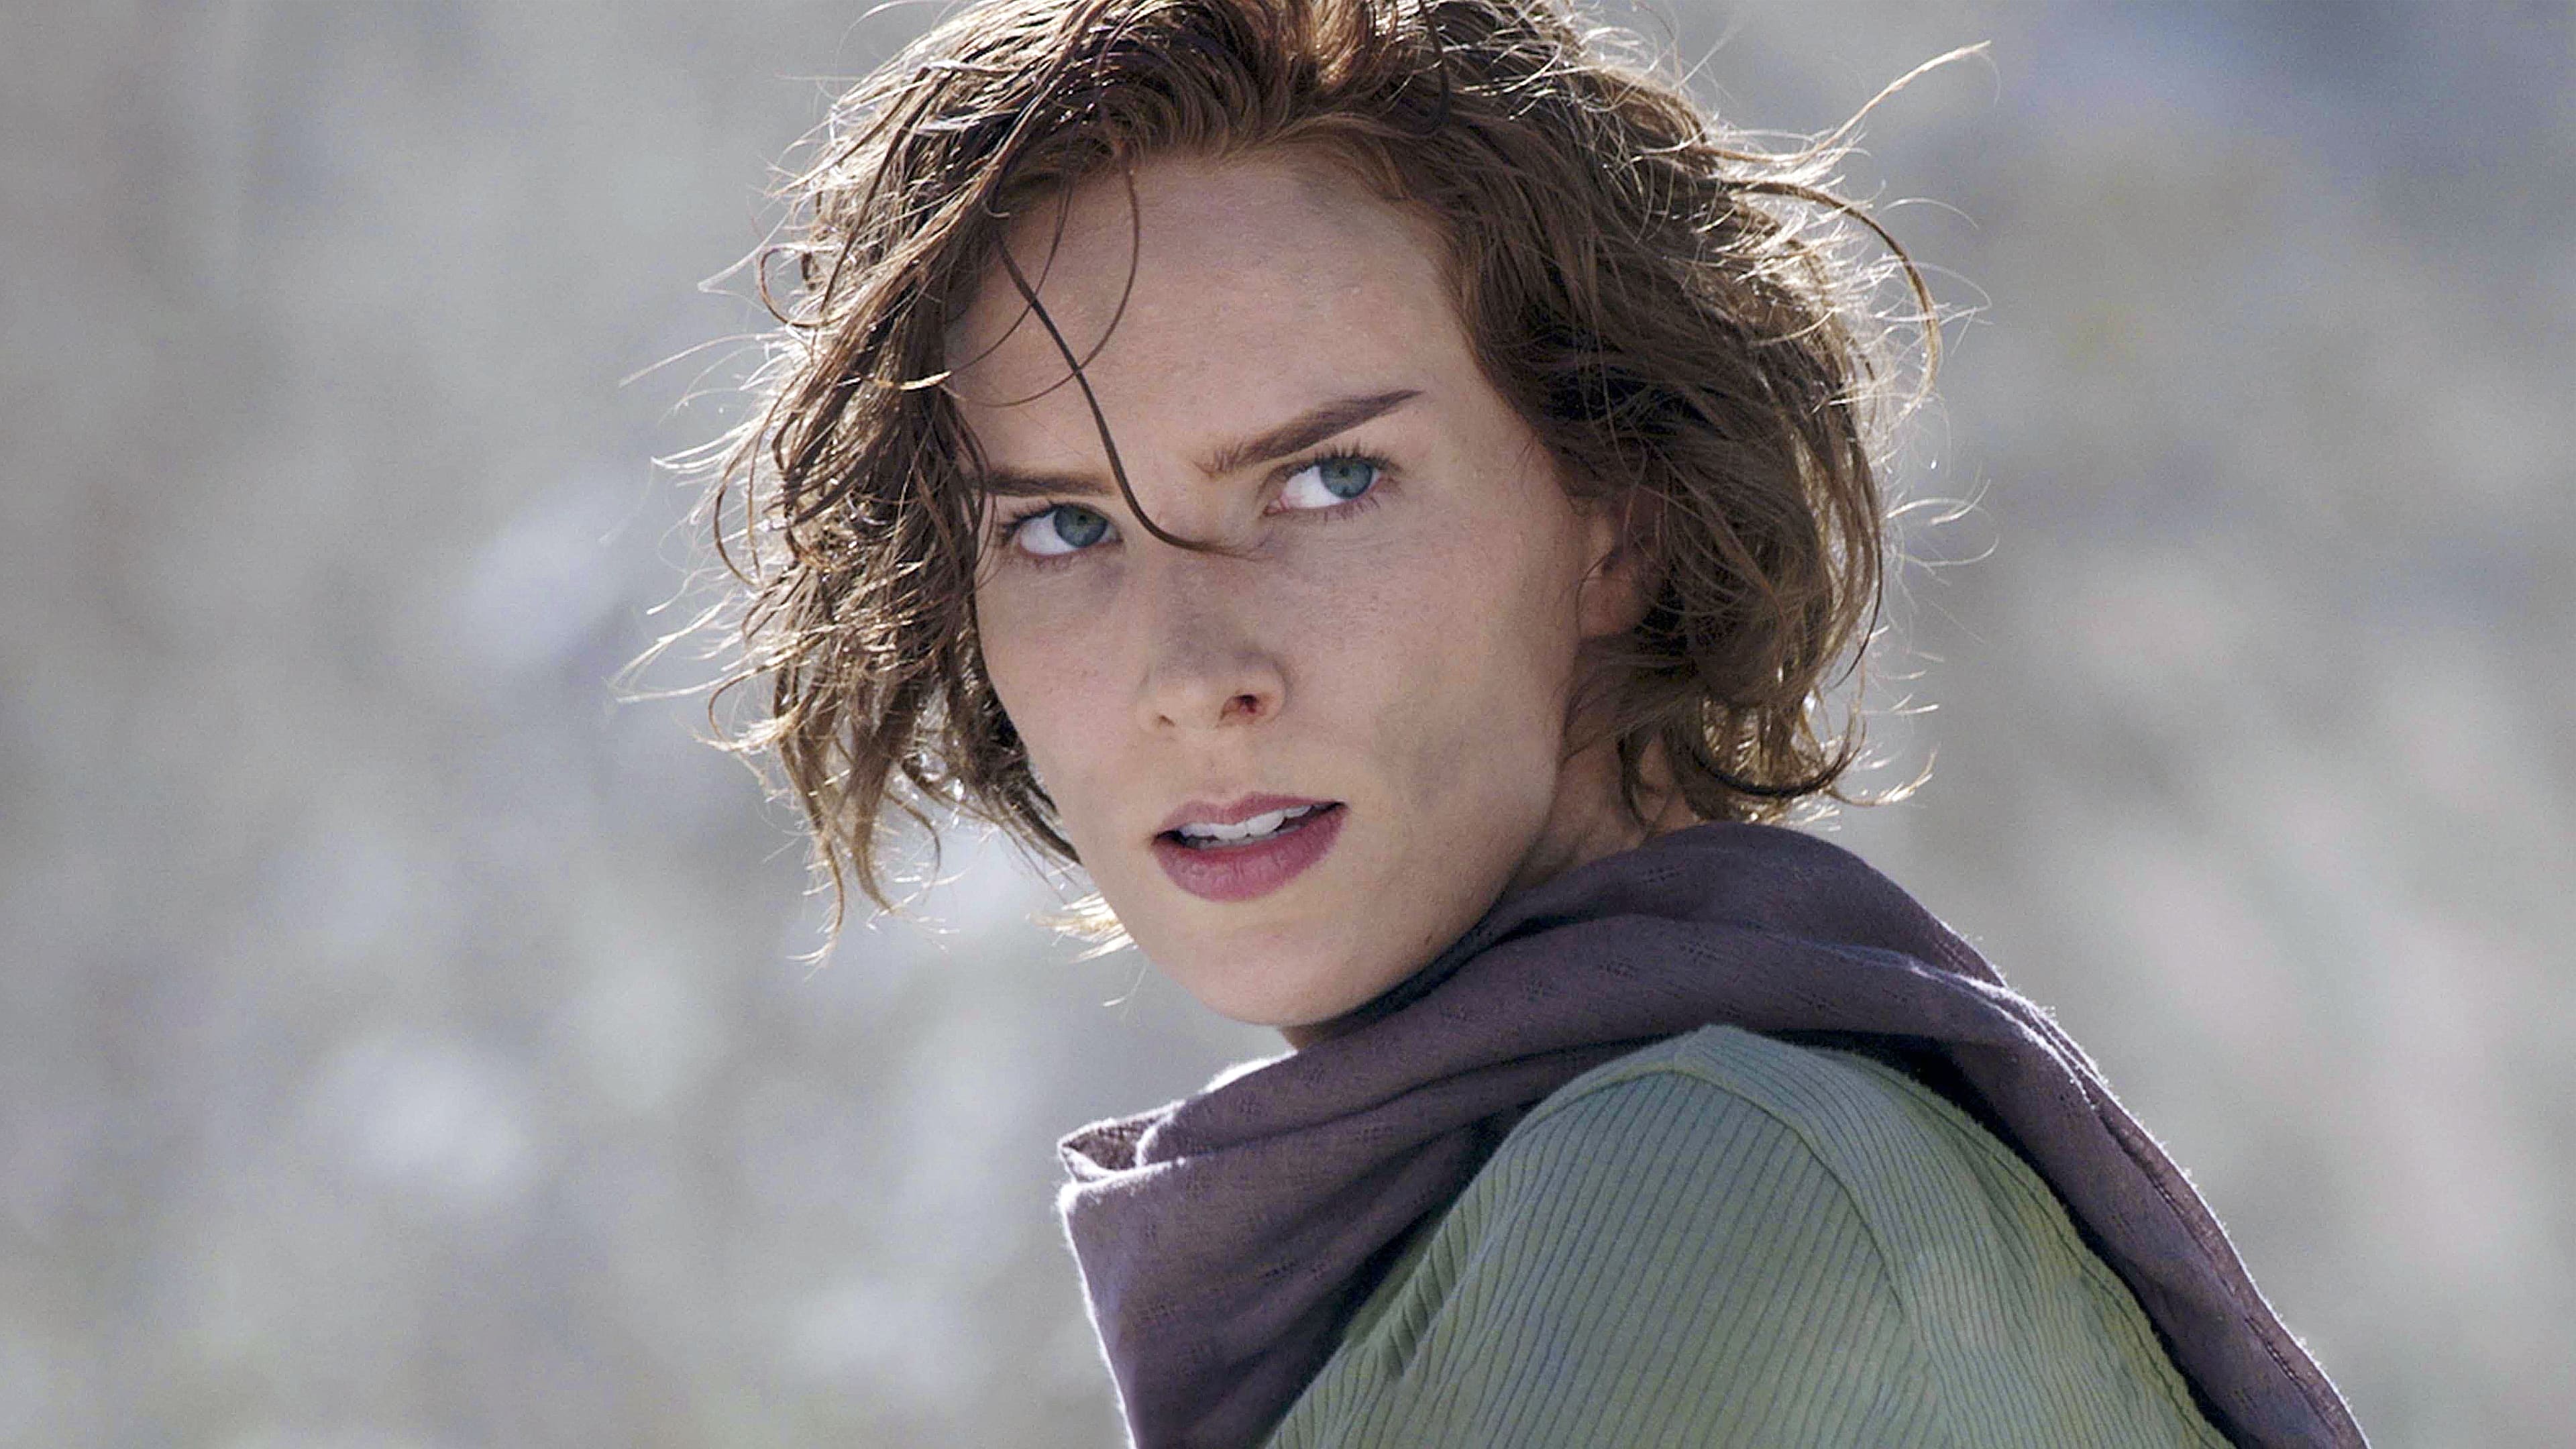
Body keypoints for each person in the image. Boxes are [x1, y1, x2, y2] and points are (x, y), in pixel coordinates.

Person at [702, 0, 2367, 1444]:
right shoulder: (1552, 1189)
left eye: (1329, 481)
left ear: (1615, 518)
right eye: (1063, 527)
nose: (1190, 670)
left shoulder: (1696, 1187)